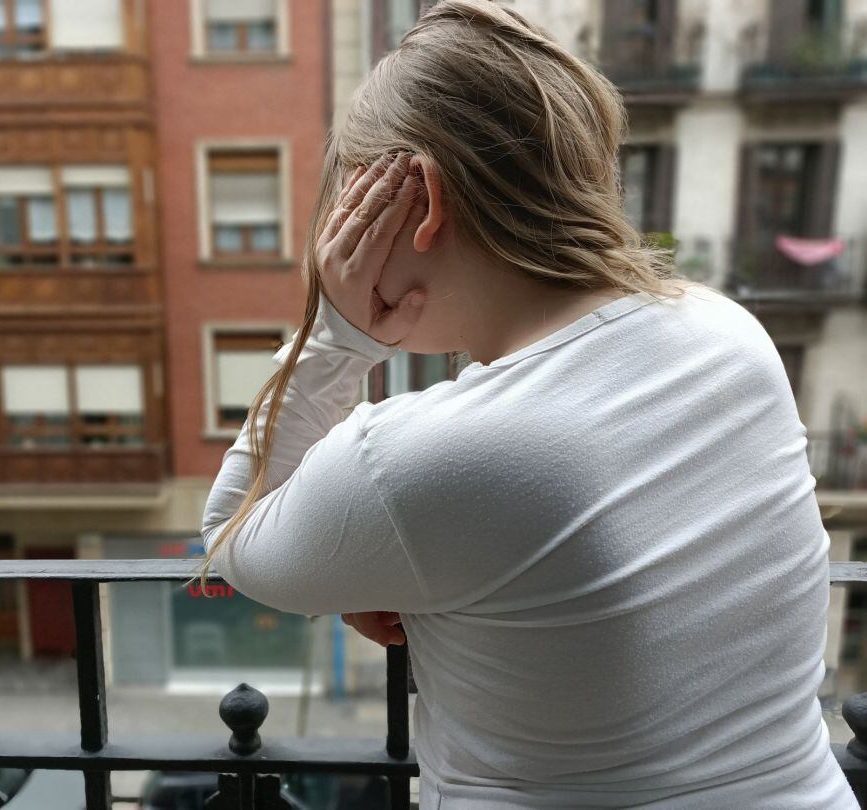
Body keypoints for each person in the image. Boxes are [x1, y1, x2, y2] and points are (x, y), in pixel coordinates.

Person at [200, 1, 856, 806]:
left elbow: (230, 532)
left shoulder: (415, 459)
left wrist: (339, 340)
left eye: (352, 206)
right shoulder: (731, 333)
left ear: (422, 203)